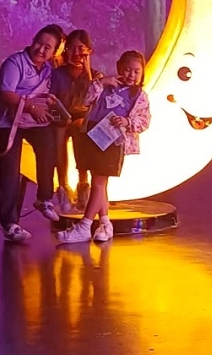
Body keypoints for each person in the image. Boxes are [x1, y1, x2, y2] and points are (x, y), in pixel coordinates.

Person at [56, 50, 151, 246]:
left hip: (113, 141)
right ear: (119, 68)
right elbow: (86, 100)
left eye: (136, 72)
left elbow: (144, 121)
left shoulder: (140, 96)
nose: (131, 75)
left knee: (99, 182)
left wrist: (127, 121)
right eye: (127, 70)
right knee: (99, 182)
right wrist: (101, 83)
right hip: (94, 135)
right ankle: (105, 224)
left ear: (142, 73)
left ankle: (85, 225)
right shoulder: (107, 86)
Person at [0, 24, 65, 244]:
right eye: (39, 43)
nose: (41, 49)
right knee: (9, 172)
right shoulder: (15, 63)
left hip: (32, 122)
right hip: (7, 122)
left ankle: (44, 198)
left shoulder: (49, 68)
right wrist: (31, 107)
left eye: (48, 47)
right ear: (33, 41)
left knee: (50, 148)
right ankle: (10, 224)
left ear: (54, 52)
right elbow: (6, 93)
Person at [50, 29, 102, 215]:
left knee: (81, 128)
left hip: (82, 119)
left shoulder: (95, 76)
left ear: (89, 51)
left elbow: (94, 101)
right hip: (60, 118)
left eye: (81, 48)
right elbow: (50, 99)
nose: (76, 53)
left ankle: (83, 185)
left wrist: (87, 74)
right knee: (59, 131)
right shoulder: (57, 74)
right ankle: (63, 187)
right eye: (72, 48)